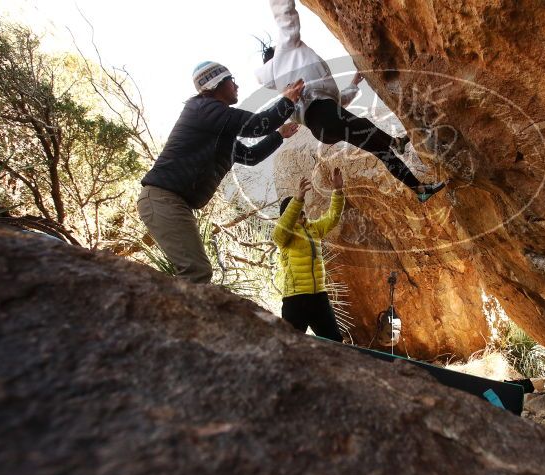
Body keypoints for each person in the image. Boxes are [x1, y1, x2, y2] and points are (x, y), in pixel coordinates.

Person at [255, 0, 445, 203]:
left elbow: (335, 102)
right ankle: (396, 143)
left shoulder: (286, 92)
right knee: (367, 128)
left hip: (324, 125)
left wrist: (354, 83)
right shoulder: (285, 53)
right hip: (326, 116)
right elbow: (285, 17)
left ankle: (420, 189)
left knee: (380, 149)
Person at [138, 61, 304, 283]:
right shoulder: (203, 109)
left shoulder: (218, 129)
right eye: (231, 80)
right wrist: (287, 101)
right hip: (162, 199)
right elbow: (258, 125)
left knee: (197, 272)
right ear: (217, 84)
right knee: (196, 272)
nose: (236, 86)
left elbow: (251, 157)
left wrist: (280, 135)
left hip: (170, 202)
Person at [273, 169, 345, 341]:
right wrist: (297, 199)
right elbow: (281, 230)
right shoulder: (284, 235)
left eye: (301, 210)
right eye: (295, 211)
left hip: (319, 297)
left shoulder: (313, 228)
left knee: (335, 342)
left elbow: (333, 218)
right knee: (290, 344)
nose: (300, 214)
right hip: (295, 299)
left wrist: (338, 191)